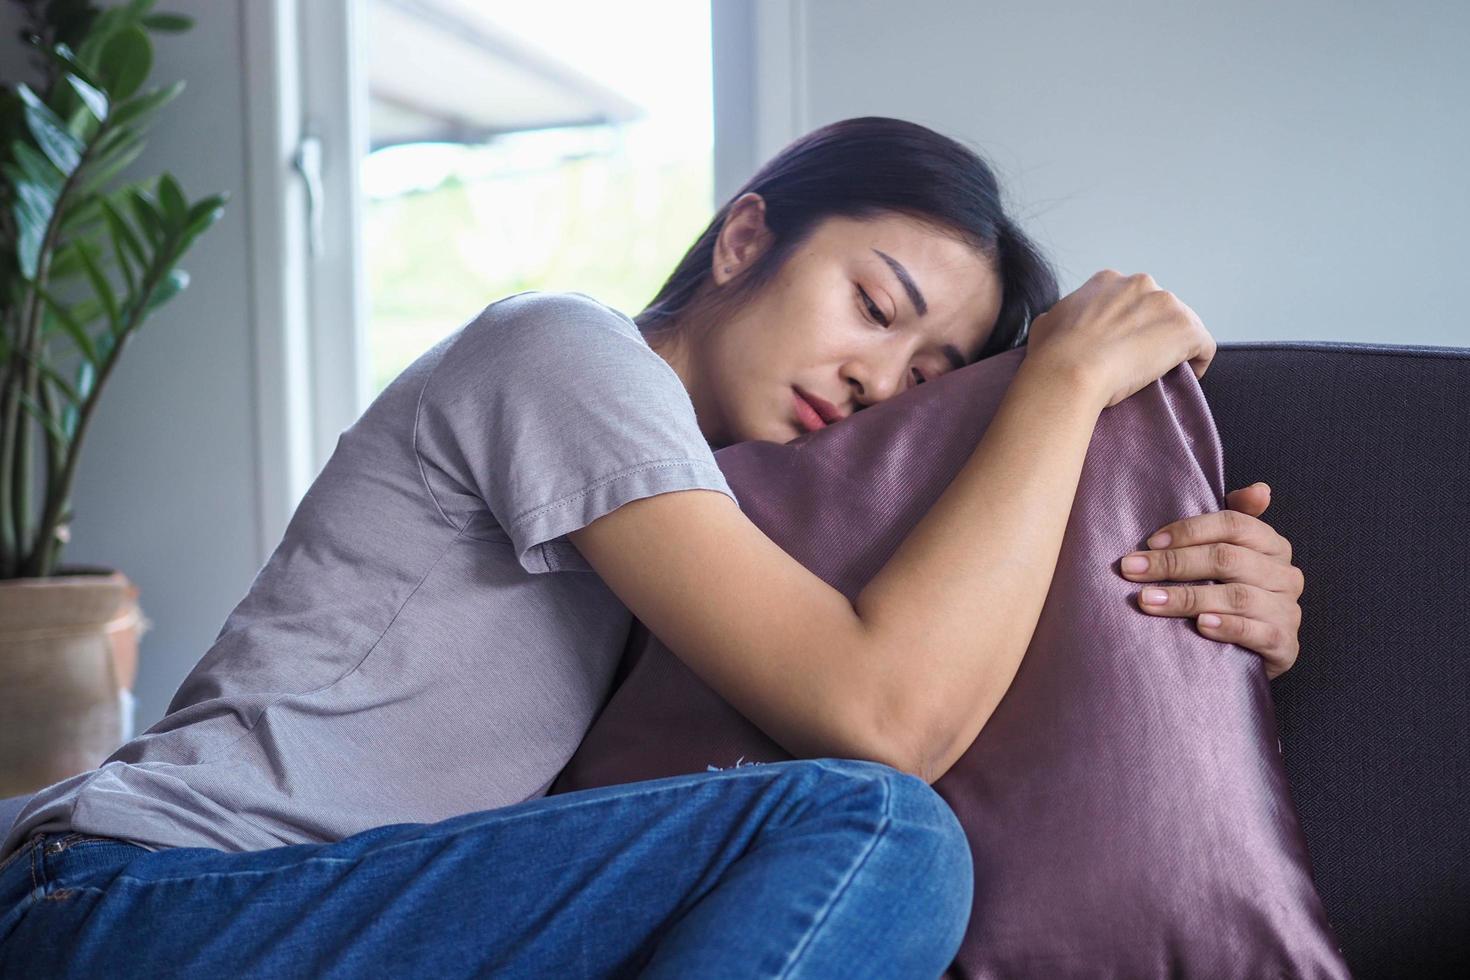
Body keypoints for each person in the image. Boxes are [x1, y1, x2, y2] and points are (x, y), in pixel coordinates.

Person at [0, 115, 1301, 977]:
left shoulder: (725, 520)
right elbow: (883, 713)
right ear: (744, 239)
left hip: (308, 909)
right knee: (872, 829)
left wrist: (1190, 604)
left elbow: (954, 653)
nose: (873, 380)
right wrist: (1059, 382)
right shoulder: (568, 354)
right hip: (147, 900)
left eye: (925, 377)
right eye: (870, 306)